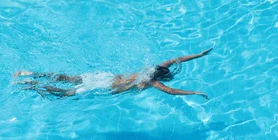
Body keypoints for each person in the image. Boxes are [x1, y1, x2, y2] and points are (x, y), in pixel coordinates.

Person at [14, 47, 213, 99]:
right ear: (159, 76)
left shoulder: (151, 69)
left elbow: (175, 60)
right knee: (63, 94)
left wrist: (199, 55)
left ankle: (31, 73)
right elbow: (170, 91)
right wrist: (194, 93)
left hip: (104, 76)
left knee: (68, 77)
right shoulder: (151, 81)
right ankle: (30, 85)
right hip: (99, 87)